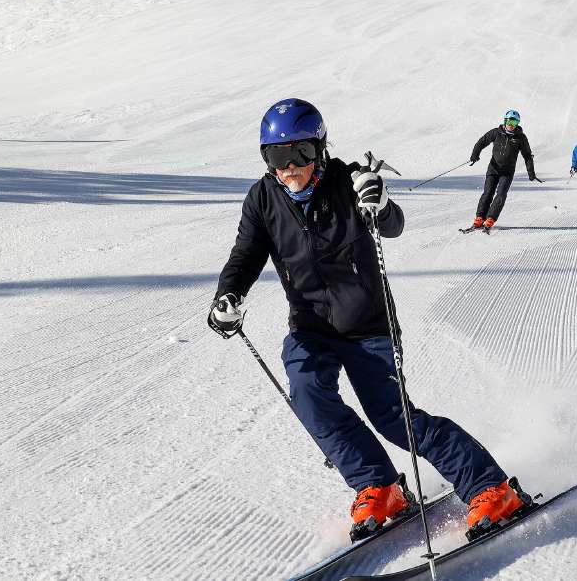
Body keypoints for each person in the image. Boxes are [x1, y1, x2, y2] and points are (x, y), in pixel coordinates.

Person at [208, 98, 528, 541]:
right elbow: (245, 255)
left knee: (394, 417)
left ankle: (490, 487)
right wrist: (229, 294)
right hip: (311, 326)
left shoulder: (350, 181)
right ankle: (378, 485)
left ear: (319, 150)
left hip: (367, 323)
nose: (289, 168)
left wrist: (379, 200)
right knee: (308, 394)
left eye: (298, 154)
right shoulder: (262, 198)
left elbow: (391, 224)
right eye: (276, 157)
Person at [466, 109, 542, 231]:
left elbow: (527, 155)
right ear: (505, 120)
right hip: (493, 169)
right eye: (510, 121)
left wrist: (531, 173)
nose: (511, 125)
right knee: (487, 193)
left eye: (515, 123)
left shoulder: (521, 138)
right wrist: (475, 154)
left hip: (507, 172)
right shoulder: (496, 133)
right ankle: (480, 218)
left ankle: (490, 219)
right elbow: (482, 141)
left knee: (501, 194)